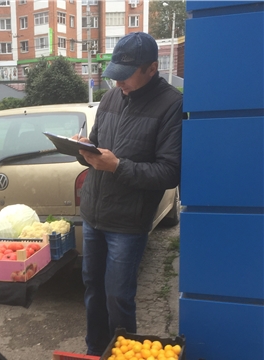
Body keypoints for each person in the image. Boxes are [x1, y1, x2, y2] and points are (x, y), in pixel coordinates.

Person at [75, 32, 183, 355]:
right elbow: (96, 144)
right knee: (93, 290)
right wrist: (81, 149)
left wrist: (117, 166)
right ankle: (96, 350)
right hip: (94, 213)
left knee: (117, 297)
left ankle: (125, 353)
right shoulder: (111, 98)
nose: (118, 83)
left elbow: (169, 172)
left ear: (152, 69)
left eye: (125, 76)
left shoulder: (171, 104)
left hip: (128, 223)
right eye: (115, 75)